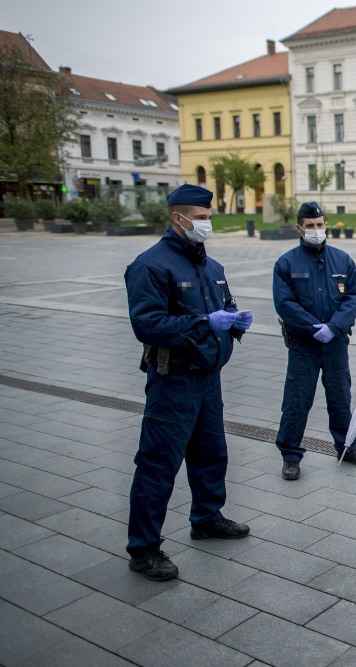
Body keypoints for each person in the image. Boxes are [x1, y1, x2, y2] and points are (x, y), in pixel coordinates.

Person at [123, 184, 253, 582]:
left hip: (207, 378)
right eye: (201, 218)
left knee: (211, 452)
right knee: (158, 464)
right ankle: (144, 548)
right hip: (172, 380)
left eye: (209, 217)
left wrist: (234, 323)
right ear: (178, 218)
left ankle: (207, 517)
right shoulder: (151, 265)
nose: (207, 224)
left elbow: (223, 305)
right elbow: (146, 323)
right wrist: (203, 324)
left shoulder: (210, 267)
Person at [272, 201, 356, 480]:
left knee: (340, 396)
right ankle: (290, 454)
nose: (317, 230)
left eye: (320, 225)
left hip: (335, 343)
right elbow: (284, 302)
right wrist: (312, 326)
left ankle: (347, 446)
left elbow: (353, 296)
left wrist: (334, 327)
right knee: (297, 400)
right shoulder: (287, 263)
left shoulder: (342, 260)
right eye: (311, 226)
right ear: (300, 228)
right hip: (304, 344)